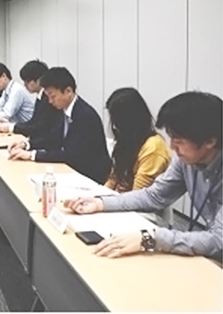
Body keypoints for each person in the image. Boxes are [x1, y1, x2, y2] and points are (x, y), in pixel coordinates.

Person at [64, 91, 222, 260]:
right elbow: (154, 195)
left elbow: (218, 240)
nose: (172, 147)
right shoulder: (186, 162)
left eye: (179, 141)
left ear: (210, 141)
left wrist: (150, 238)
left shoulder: (162, 150)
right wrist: (101, 203)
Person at [8, 67, 111, 184]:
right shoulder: (65, 110)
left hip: (89, 176)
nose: (50, 101)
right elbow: (53, 138)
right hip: (73, 169)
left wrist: (32, 155)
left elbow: (71, 155)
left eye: (53, 96)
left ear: (68, 91)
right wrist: (26, 144)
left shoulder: (85, 115)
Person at [103, 88, 170, 192]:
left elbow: (138, 194)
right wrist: (100, 194)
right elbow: (114, 177)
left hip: (135, 200)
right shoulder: (129, 141)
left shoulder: (153, 147)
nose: (115, 127)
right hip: (120, 198)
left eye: (117, 121)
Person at [0, 59, 58, 138]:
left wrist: (12, 127)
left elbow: (39, 127)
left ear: (39, 80)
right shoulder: (40, 96)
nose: (25, 85)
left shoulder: (48, 99)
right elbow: (32, 122)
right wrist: (13, 126)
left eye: (27, 82)